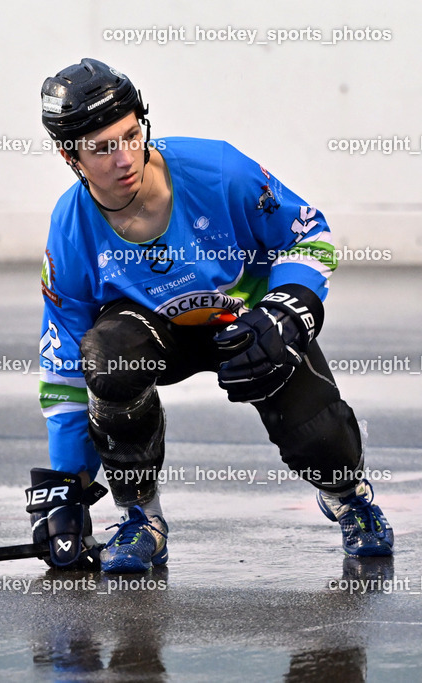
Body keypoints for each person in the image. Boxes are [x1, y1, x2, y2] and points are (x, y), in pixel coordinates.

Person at [25, 58, 393, 574]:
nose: (124, 158)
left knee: (319, 436)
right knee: (107, 359)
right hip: (153, 334)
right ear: (71, 157)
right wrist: (68, 491)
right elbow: (62, 362)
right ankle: (140, 518)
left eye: (131, 136)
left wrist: (290, 312)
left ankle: (349, 496)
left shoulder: (218, 169)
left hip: (249, 321)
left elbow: (309, 234)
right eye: (102, 149)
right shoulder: (70, 229)